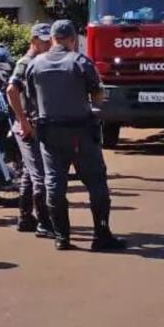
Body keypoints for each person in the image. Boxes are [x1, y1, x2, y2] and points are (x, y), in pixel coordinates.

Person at [23, 20, 125, 252]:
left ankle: (62, 237)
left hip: (49, 134)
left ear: (52, 38)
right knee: (96, 182)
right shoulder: (80, 62)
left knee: (54, 184)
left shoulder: (35, 64)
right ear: (72, 39)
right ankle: (101, 236)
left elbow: (29, 99)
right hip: (81, 133)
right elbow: (97, 93)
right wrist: (95, 108)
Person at [7, 23, 54, 237]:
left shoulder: (42, 62)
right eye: (43, 41)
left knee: (28, 172)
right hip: (28, 127)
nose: (47, 44)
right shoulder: (26, 63)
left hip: (36, 124)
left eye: (49, 40)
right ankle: (45, 224)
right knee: (40, 176)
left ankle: (25, 218)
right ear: (33, 40)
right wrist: (23, 121)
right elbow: (11, 90)